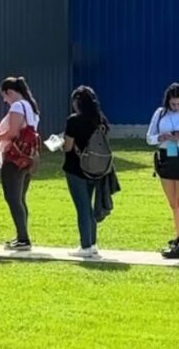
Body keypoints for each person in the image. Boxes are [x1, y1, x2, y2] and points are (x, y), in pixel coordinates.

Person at [63, 86, 111, 258]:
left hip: (75, 168)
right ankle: (92, 244)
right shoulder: (100, 120)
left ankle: (85, 246)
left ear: (77, 102)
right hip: (95, 169)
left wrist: (60, 144)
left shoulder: (73, 120)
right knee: (88, 208)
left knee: (82, 208)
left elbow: (68, 146)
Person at [0, 77, 41, 251]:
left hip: (15, 157)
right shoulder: (31, 107)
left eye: (4, 96)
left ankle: (23, 238)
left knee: (12, 198)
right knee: (21, 198)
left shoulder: (17, 106)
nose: (4, 100)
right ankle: (22, 235)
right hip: (28, 156)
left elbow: (12, 132)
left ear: (9, 92)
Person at [146, 83, 179, 258]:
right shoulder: (160, 113)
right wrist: (162, 136)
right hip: (167, 157)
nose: (176, 107)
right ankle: (177, 237)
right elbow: (149, 138)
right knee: (173, 203)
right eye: (173, 104)